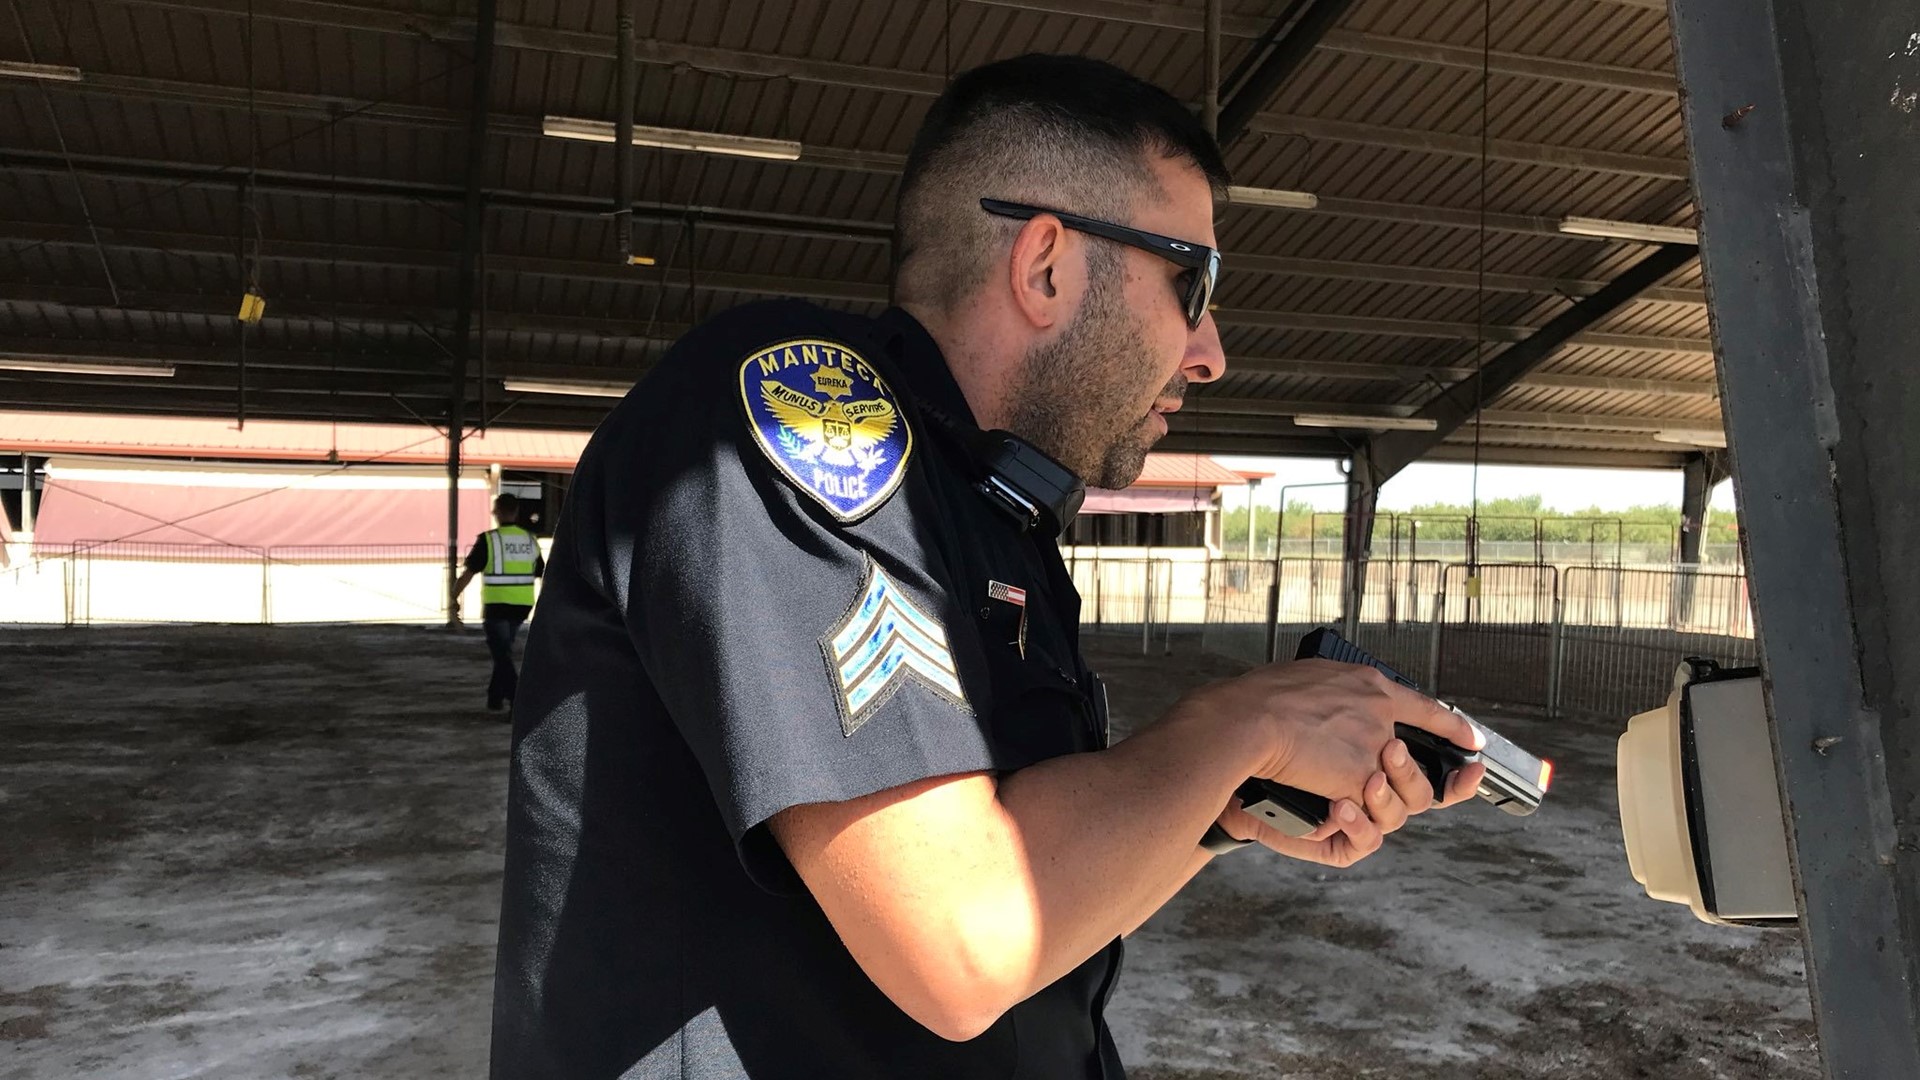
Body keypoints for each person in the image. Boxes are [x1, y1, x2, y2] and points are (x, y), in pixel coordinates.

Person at [489, 53, 1487, 1079]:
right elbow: (965, 939)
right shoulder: (803, 413)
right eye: (1194, 284)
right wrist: (1247, 724)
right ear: (1046, 265)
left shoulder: (994, 519)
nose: (1211, 351)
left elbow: (1017, 844)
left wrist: (1216, 805)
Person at [453, 493, 545, 713]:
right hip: (523, 605)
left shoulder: (489, 539)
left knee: (501, 654)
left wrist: (452, 597)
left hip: (497, 605)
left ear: (499, 512)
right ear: (516, 511)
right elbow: (543, 573)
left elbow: (469, 573)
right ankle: (494, 697)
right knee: (503, 650)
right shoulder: (530, 540)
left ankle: (517, 701)